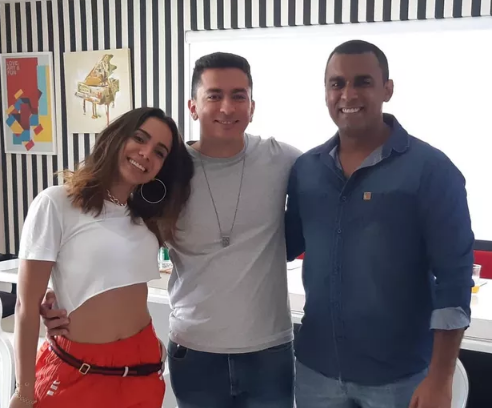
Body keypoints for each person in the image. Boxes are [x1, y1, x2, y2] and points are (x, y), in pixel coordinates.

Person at [41, 52, 301, 408]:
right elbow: (109, 235)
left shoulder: (283, 159)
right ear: (193, 107)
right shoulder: (165, 172)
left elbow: (334, 182)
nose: (227, 107)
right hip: (195, 353)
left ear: (252, 107)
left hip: (269, 353)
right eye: (214, 95)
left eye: (238, 96)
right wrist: (56, 291)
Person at [285, 39, 474, 408]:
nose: (348, 94)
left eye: (363, 82)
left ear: (387, 89)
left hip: (399, 378)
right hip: (316, 371)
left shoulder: (431, 170)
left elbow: (454, 278)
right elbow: (283, 243)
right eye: (337, 83)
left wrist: (440, 378)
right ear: (326, 92)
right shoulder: (306, 169)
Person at [11, 107, 193, 408]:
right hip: (78, 368)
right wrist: (24, 392)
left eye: (159, 152)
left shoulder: (144, 218)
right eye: (140, 138)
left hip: (142, 368)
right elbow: (26, 306)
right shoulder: (57, 203)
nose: (146, 153)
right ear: (116, 137)